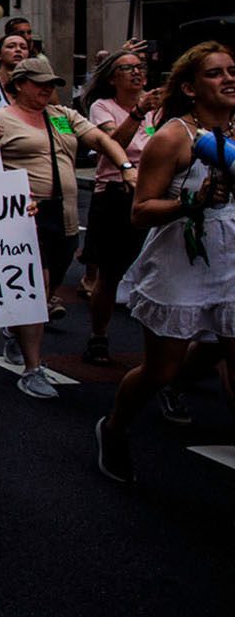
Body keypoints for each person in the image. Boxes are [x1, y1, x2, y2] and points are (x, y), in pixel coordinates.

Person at [97, 42, 235, 483]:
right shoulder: (173, 137)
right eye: (216, 73)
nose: (230, 79)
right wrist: (189, 202)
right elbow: (141, 211)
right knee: (162, 369)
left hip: (230, 259)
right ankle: (115, 428)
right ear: (191, 88)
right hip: (181, 260)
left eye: (233, 70)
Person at [0, 59, 133, 399]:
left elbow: (99, 138)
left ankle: (14, 327)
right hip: (26, 215)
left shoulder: (63, 116)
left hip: (65, 216)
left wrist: (125, 166)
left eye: (50, 83)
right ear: (20, 84)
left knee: (49, 284)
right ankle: (33, 368)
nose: (46, 89)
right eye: (39, 83)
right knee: (37, 289)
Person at [80, 47, 162, 365]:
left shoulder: (159, 109)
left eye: (140, 67)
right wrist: (138, 113)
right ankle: (98, 336)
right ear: (113, 78)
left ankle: (159, 346)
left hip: (154, 192)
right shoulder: (103, 107)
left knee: (156, 270)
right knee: (111, 271)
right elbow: (114, 145)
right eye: (128, 69)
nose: (137, 73)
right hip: (115, 194)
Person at [0, 31, 30, 110]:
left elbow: (55, 115)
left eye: (23, 47)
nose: (18, 50)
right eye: (11, 46)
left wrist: (53, 122)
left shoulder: (39, 84)